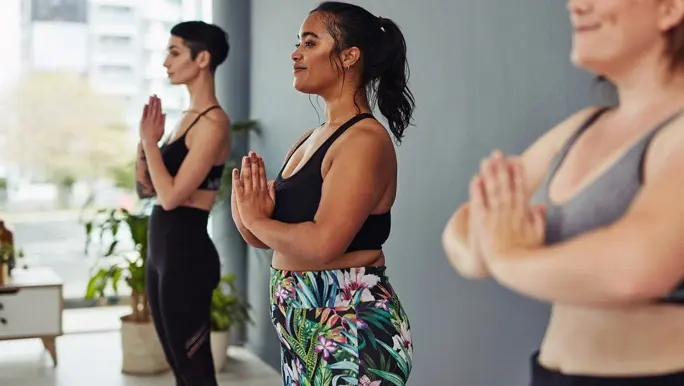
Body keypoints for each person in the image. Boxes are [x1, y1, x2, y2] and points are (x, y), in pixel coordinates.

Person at [443, 1, 684, 385]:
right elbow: (463, 225)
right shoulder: (581, 128)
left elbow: (634, 268)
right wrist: (483, 251)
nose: (576, 4)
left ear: (670, 8)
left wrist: (506, 256)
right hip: (550, 373)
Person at [231, 2, 415, 385]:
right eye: (298, 42)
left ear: (349, 56)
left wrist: (257, 219)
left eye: (310, 43)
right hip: (303, 329)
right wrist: (247, 214)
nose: (295, 53)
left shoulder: (363, 140)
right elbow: (273, 240)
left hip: (351, 332)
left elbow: (321, 244)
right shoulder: (310, 139)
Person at [136, 20, 231, 386]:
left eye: (174, 52)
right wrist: (144, 143)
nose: (165, 62)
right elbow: (147, 189)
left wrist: (149, 145)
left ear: (202, 58)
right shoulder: (183, 121)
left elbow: (173, 197)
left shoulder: (213, 123)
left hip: (186, 256)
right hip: (162, 252)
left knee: (195, 372)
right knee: (179, 368)